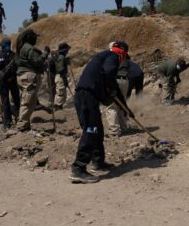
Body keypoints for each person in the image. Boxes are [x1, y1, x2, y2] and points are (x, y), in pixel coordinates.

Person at [70, 41, 132, 183]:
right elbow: (109, 72)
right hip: (87, 96)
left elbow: (114, 86)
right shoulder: (113, 56)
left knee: (97, 129)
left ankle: (98, 162)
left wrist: (125, 108)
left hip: (86, 96)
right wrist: (108, 89)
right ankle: (78, 168)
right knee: (91, 130)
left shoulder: (103, 57)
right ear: (122, 52)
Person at [15, 29, 50, 132]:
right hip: (29, 76)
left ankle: (25, 124)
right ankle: (22, 125)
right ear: (31, 38)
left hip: (23, 76)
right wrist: (45, 53)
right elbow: (38, 61)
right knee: (28, 101)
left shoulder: (23, 48)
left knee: (27, 100)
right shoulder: (29, 48)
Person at [0, 38, 20, 130]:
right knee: (16, 100)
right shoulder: (14, 55)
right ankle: (20, 118)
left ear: (2, 45)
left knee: (5, 102)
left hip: (3, 82)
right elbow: (19, 68)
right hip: (13, 80)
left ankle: (7, 123)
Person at [53, 42, 71, 110]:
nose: (68, 51)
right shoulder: (61, 57)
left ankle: (59, 107)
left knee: (62, 93)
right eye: (67, 50)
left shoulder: (61, 57)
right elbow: (61, 70)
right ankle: (58, 107)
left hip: (60, 76)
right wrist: (65, 80)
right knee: (60, 93)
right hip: (61, 77)